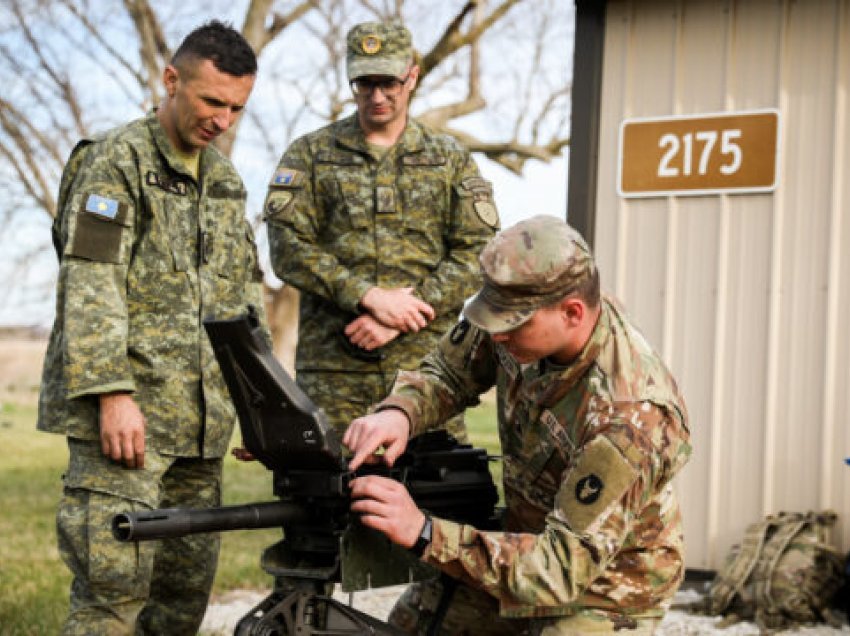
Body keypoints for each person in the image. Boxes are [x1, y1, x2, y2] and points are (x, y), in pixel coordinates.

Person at [345, 215, 692, 635]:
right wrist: (399, 412)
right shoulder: (519, 317)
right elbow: (450, 373)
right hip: (524, 545)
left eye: (510, 324)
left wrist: (423, 532)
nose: (495, 336)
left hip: (606, 588)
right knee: (412, 626)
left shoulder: (630, 416)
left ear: (572, 313)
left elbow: (561, 570)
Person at [37, 21, 265, 635]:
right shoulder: (116, 162)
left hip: (200, 434)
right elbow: (90, 281)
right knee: (112, 597)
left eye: (237, 108)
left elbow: (243, 303)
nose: (223, 120)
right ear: (171, 80)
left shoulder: (224, 183)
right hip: (126, 428)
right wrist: (112, 394)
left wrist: (261, 407)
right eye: (212, 101)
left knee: (179, 603)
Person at [264, 21, 499, 439]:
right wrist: (366, 296)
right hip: (334, 374)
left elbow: (479, 252)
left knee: (435, 494)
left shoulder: (449, 158)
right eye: (364, 83)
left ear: (412, 74)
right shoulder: (311, 154)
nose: (376, 96)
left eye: (388, 82)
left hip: (427, 373)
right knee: (328, 494)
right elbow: (287, 247)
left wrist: (402, 315)